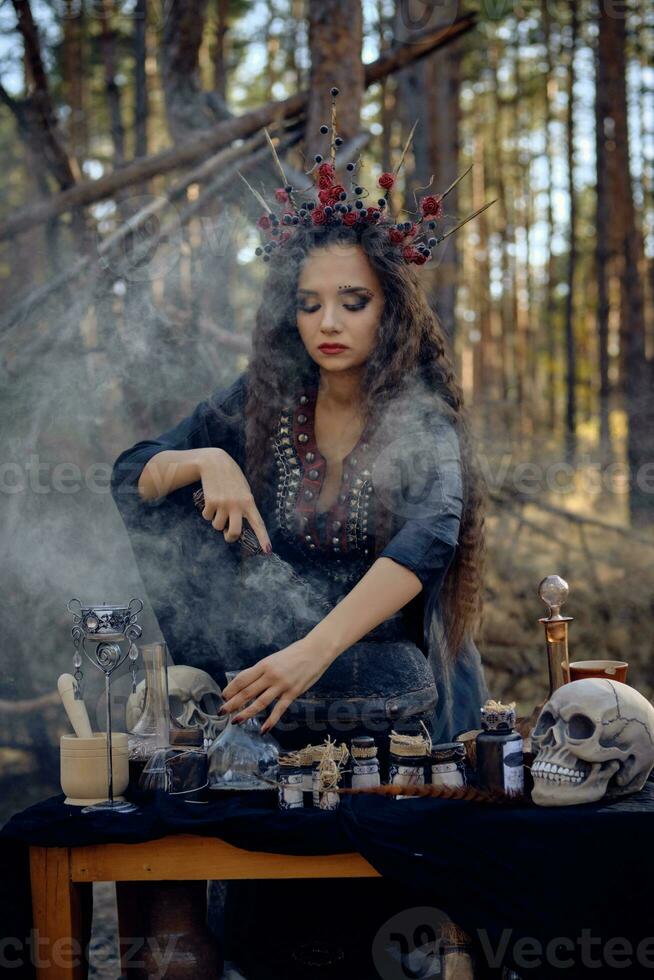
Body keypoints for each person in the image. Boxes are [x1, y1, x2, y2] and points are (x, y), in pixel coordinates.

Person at [110, 118, 490, 977]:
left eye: (352, 302)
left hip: (396, 690)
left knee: (392, 937)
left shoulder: (417, 414)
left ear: (390, 306)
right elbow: (134, 473)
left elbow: (430, 534)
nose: (328, 322)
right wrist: (207, 459)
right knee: (283, 935)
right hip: (283, 694)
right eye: (310, 301)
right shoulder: (263, 398)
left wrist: (310, 653)